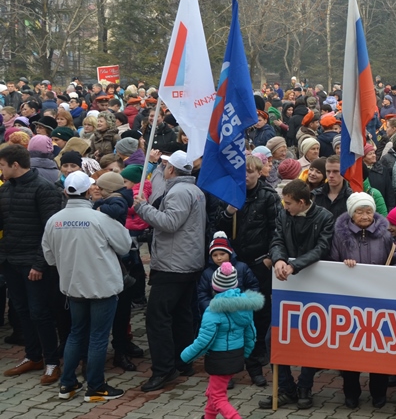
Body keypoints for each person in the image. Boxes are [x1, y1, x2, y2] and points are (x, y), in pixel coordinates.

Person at [42, 171, 132, 401]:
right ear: (88, 191)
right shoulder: (100, 218)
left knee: (76, 333)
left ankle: (68, 384)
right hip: (102, 286)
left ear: (66, 191)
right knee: (98, 337)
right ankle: (95, 385)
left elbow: (49, 258)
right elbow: (124, 245)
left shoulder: (54, 220)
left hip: (73, 286)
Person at [133, 150, 207, 392]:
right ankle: (181, 361)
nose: (163, 168)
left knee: (158, 317)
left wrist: (143, 208)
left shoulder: (178, 191)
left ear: (171, 169)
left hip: (174, 264)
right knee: (180, 313)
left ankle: (164, 370)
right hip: (187, 261)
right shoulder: (193, 189)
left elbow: (169, 223)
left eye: (165, 165)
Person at [258, 180, 334, 410]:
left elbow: (321, 248)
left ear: (302, 203)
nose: (285, 206)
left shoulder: (324, 217)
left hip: (312, 284)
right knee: (272, 339)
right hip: (286, 286)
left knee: (311, 337)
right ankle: (285, 388)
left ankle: (305, 386)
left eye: (289, 202)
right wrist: (280, 259)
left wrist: (295, 266)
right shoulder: (283, 213)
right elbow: (277, 240)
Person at [214, 155, 280, 387]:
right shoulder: (231, 194)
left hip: (259, 262)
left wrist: (270, 258)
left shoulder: (268, 196)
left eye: (250, 171)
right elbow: (217, 227)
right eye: (243, 171)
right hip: (233, 263)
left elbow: (276, 229)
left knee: (258, 312)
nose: (246, 175)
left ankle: (257, 360)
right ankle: (230, 367)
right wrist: (228, 213)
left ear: (259, 172)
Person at [329, 192, 396, 408]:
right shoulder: (340, 235)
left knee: (378, 346)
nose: (365, 215)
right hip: (350, 303)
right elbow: (331, 262)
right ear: (351, 214)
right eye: (360, 211)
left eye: (369, 211)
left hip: (379, 301)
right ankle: (351, 391)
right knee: (350, 347)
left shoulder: (385, 235)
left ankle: (379, 392)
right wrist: (343, 266)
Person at [181, 262, 262, 419]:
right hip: (236, 355)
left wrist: (185, 356)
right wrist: (246, 353)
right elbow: (251, 333)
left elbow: (204, 341)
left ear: (214, 287)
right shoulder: (244, 306)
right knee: (213, 391)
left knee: (218, 396)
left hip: (219, 357)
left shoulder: (213, 310)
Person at [0, 145, 64, 384]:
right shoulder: (6, 189)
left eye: (2, 165)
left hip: (33, 264)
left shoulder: (44, 189)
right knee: (22, 311)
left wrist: (39, 264)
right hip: (10, 260)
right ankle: (32, 356)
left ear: (15, 165)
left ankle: (51, 362)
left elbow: (50, 232)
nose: (1, 169)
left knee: (40, 313)